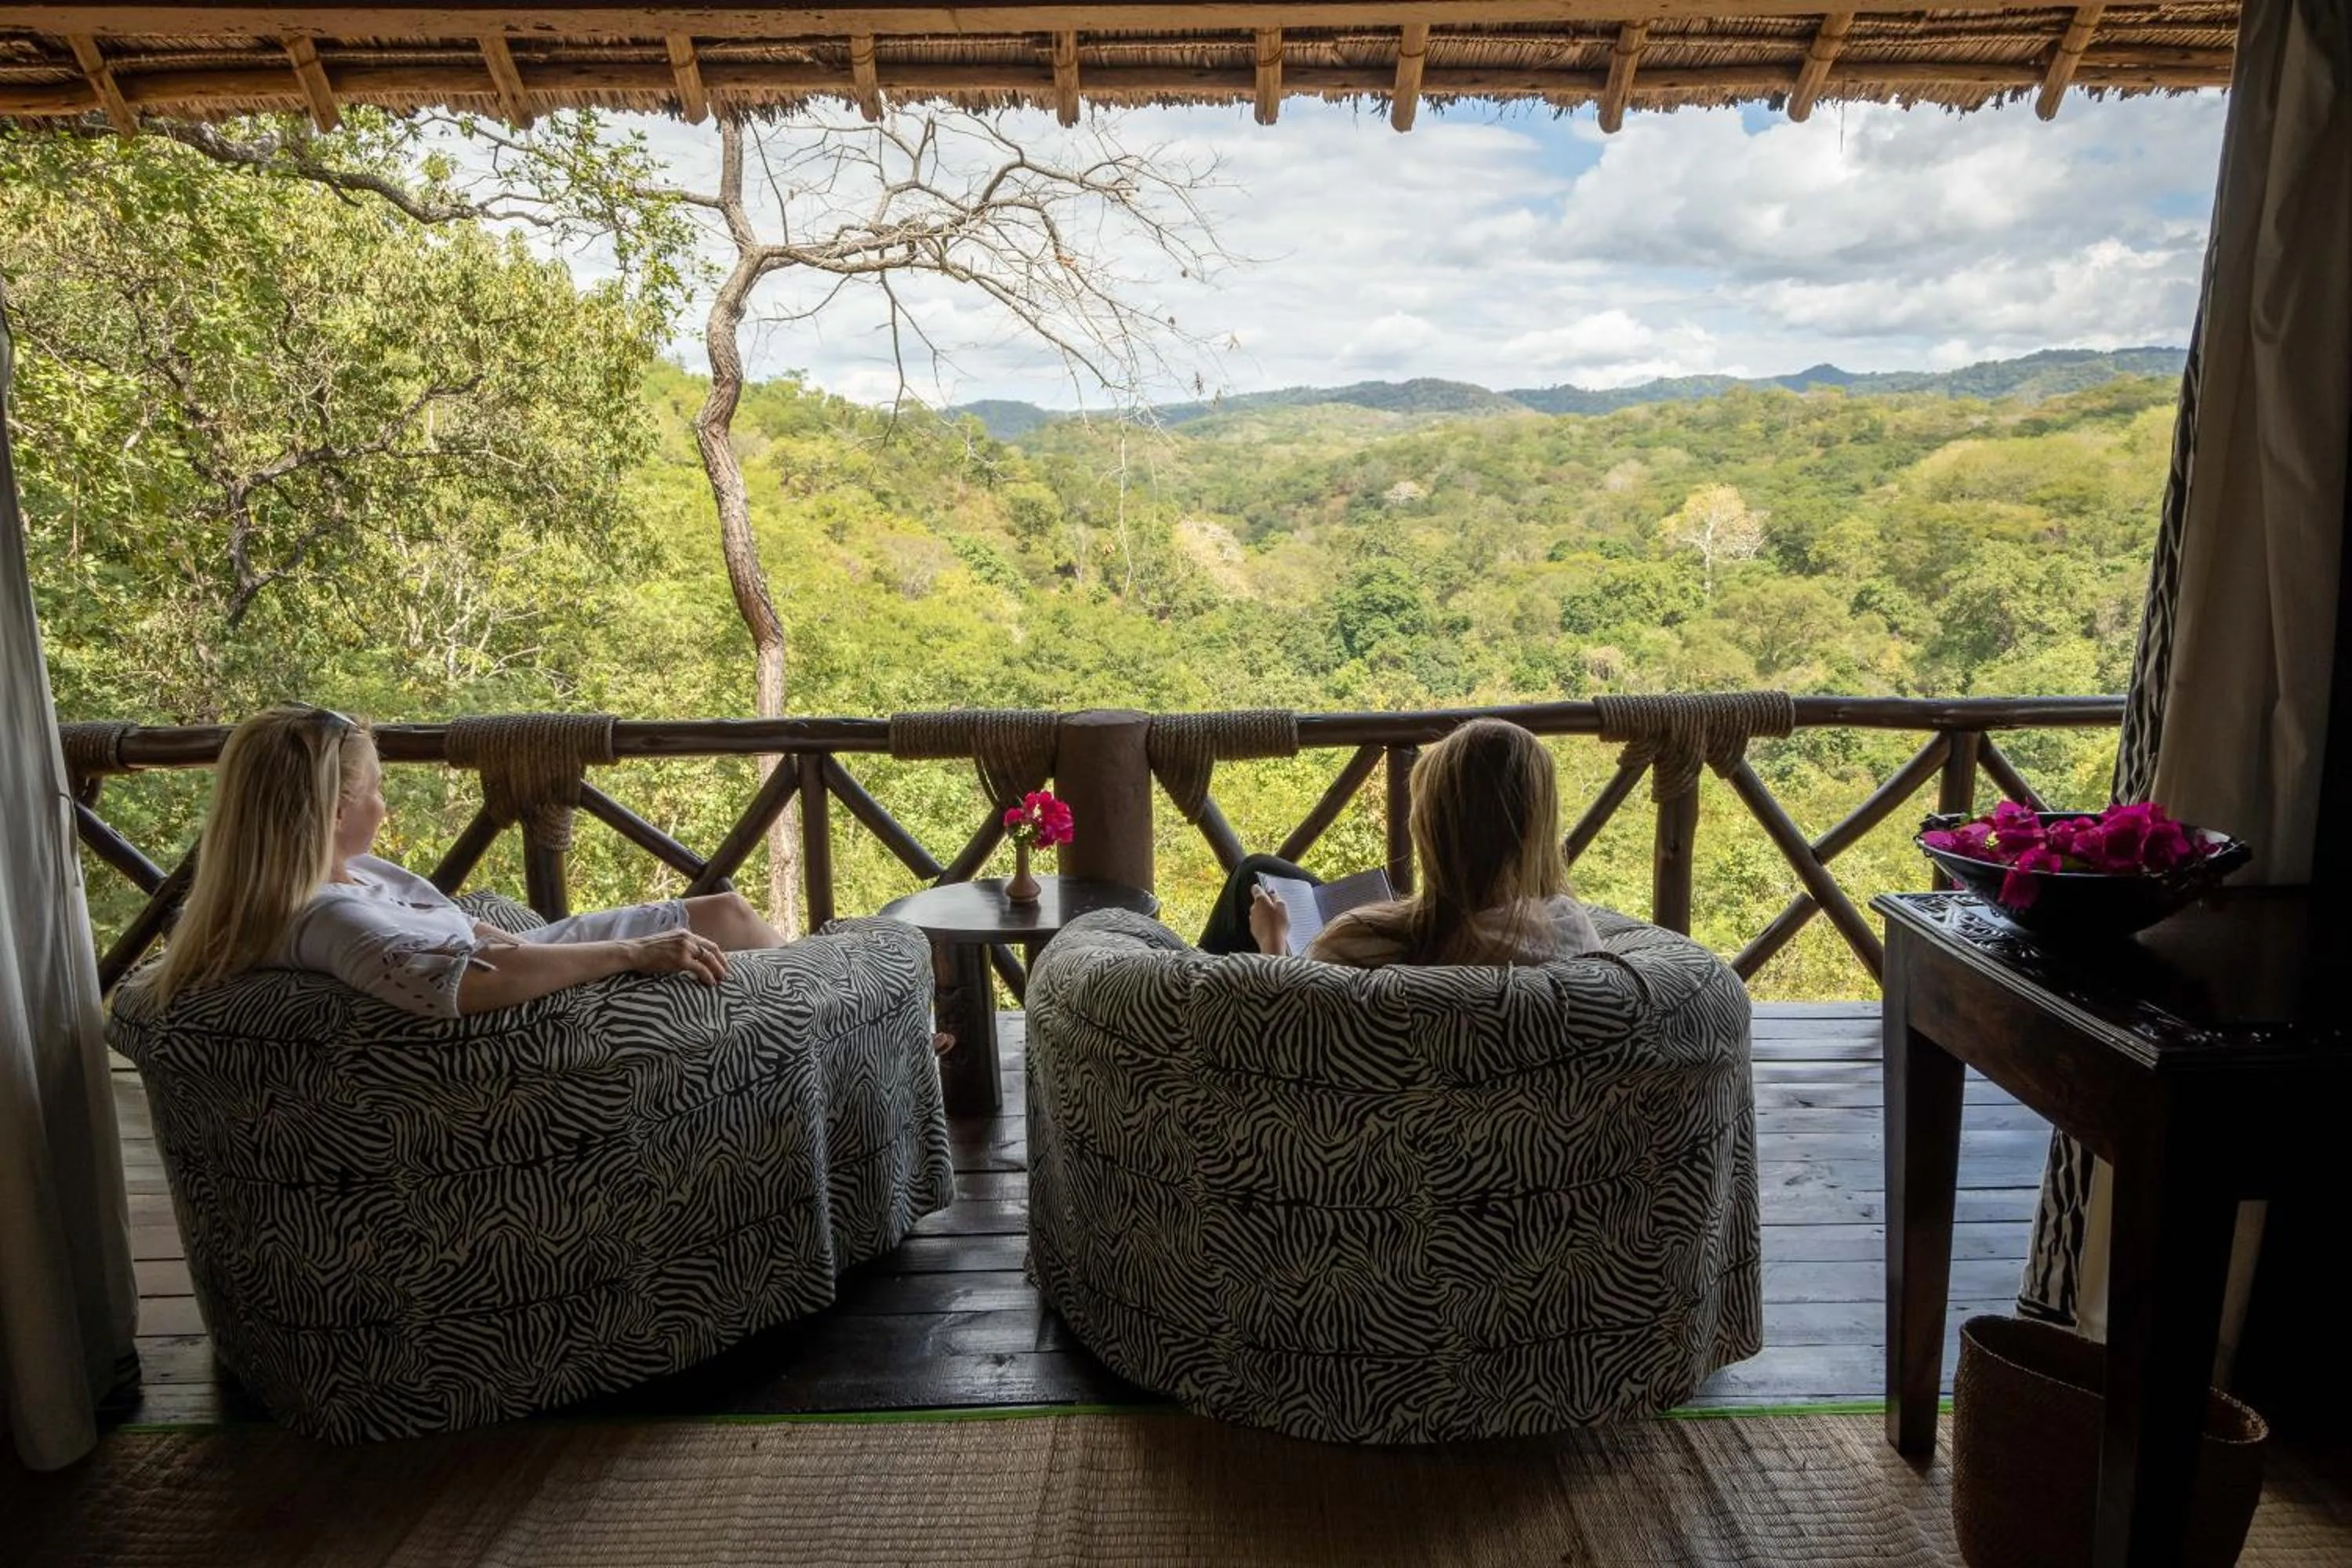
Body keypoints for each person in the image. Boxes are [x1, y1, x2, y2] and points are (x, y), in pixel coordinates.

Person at [140, 704, 787, 1018]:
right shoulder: (327, 917)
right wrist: (633, 953)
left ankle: (812, 989)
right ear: (336, 811)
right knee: (781, 959)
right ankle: (818, 1003)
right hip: (540, 1005)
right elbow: (460, 982)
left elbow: (471, 935)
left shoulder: (353, 878)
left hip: (525, 953)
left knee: (723, 911)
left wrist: (524, 937)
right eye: (376, 793)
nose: (384, 809)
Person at [1196, 717, 1602, 967]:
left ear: (1432, 828)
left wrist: (1273, 940)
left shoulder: (1355, 947)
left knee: (1253, 873)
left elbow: (1289, 1024)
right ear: (1538, 829)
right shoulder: (1571, 935)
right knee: (1264, 867)